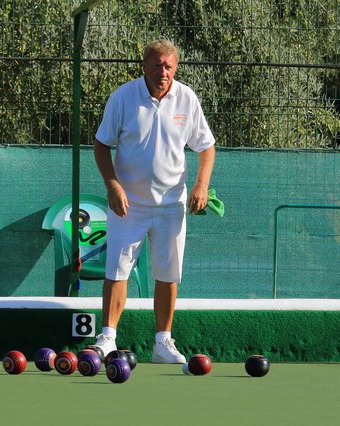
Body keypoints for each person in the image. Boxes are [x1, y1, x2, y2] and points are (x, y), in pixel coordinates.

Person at [92, 39, 216, 363]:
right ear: (144, 66)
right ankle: (107, 338)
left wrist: (201, 185)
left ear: (176, 68)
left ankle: (163, 343)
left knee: (168, 273)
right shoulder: (123, 97)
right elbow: (102, 144)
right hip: (127, 205)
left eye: (169, 66)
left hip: (171, 205)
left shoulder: (186, 98)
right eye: (158, 65)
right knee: (117, 270)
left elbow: (206, 146)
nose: (163, 72)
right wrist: (112, 185)